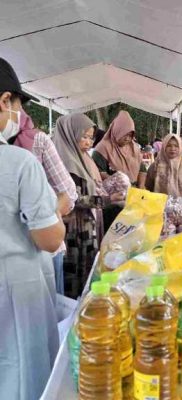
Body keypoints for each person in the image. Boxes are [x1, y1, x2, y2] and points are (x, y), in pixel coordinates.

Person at [0, 58, 65, 400]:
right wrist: (56, 213)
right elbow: (50, 238)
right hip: (15, 292)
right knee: (22, 375)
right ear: (4, 101)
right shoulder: (18, 162)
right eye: (18, 108)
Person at [53, 114, 124, 298]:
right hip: (73, 229)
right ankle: (72, 314)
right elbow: (74, 199)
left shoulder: (84, 159)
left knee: (87, 272)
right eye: (83, 136)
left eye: (91, 137)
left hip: (88, 225)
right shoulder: (65, 163)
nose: (88, 142)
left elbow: (93, 186)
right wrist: (107, 200)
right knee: (74, 274)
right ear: (70, 134)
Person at [12, 109, 77, 294]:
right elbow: (68, 192)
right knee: (47, 314)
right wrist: (49, 214)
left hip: (22, 251)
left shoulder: (36, 141)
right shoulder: (36, 143)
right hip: (41, 248)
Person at [92, 110, 142, 185]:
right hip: (112, 191)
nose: (127, 138)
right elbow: (98, 173)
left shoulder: (134, 148)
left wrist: (141, 186)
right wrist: (120, 185)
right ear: (116, 130)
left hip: (133, 192)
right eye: (124, 134)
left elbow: (142, 169)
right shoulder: (102, 148)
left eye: (130, 135)